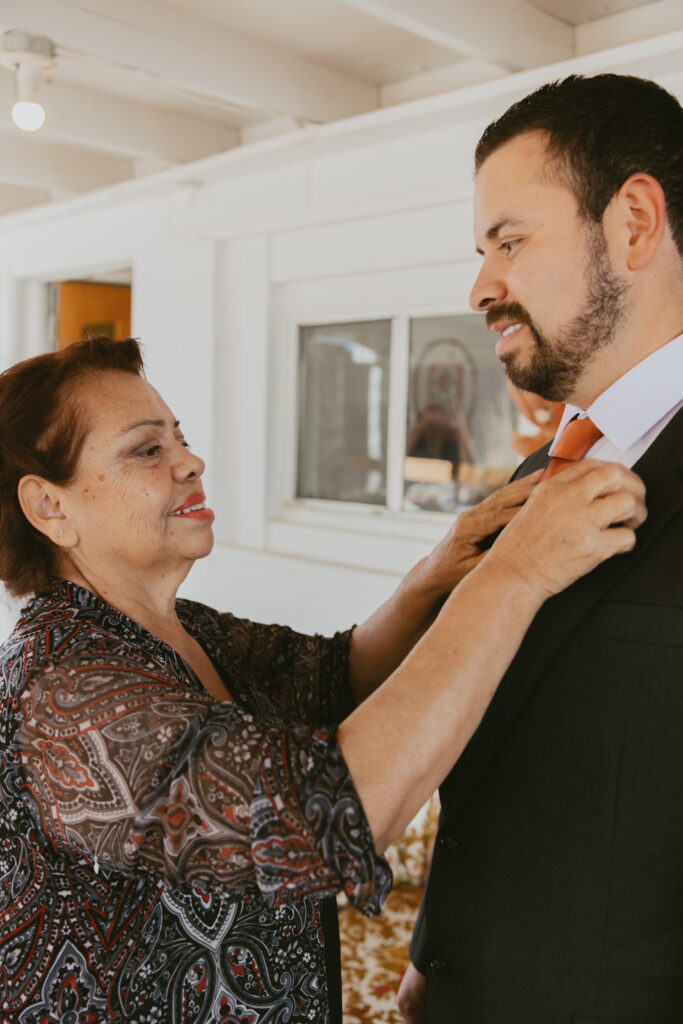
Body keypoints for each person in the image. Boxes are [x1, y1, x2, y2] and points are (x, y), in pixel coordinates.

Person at [0, 339, 644, 1024]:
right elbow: (326, 813)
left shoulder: (184, 628)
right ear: (48, 508)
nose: (191, 462)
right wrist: (515, 574)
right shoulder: (65, 696)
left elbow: (337, 676)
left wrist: (437, 574)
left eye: (179, 439)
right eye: (146, 450)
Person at [399, 73, 683, 1024]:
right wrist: (434, 949)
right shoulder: (529, 483)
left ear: (634, 222)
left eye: (509, 242)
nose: (481, 286)